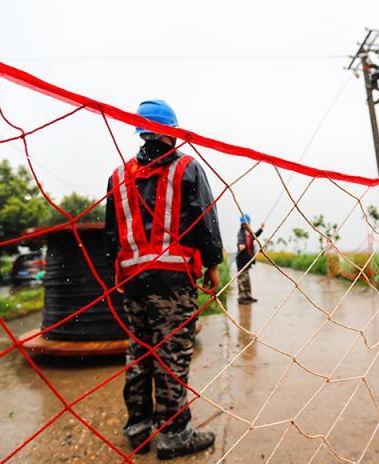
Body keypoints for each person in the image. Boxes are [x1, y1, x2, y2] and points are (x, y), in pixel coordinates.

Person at [104, 99, 223, 459]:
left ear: (140, 130)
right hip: (173, 282)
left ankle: (138, 430)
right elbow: (205, 218)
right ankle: (174, 434)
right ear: (172, 131)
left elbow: (111, 234)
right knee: (171, 357)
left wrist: (119, 272)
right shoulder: (187, 168)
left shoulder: (118, 176)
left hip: (134, 280)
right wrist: (214, 263)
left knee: (139, 354)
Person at [236, 214, 264, 304]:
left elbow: (254, 236)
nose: (245, 225)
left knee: (247, 280)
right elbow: (241, 245)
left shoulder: (248, 233)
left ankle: (248, 296)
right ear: (241, 224)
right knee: (242, 279)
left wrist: (261, 229)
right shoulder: (241, 233)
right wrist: (242, 245)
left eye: (246, 223)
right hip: (241, 261)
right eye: (243, 223)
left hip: (247, 261)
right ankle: (242, 298)